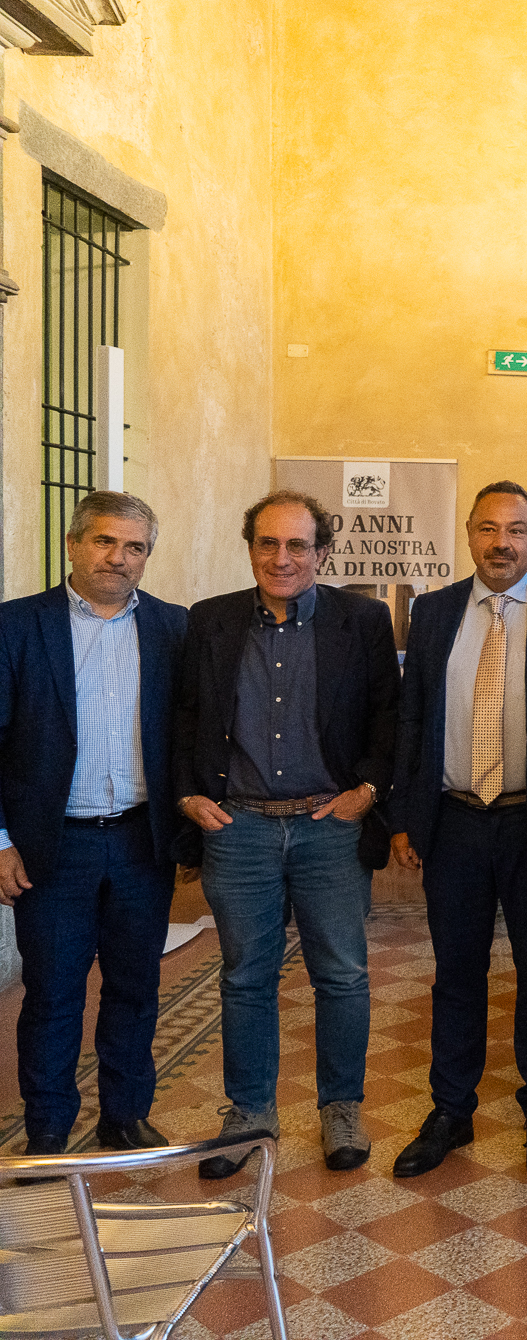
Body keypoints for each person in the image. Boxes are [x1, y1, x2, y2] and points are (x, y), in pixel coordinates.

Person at [175, 490, 401, 1178]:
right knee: (246, 976)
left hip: (328, 824)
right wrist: (188, 794)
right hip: (238, 826)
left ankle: (342, 1108)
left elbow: (389, 715)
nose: (282, 558)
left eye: (297, 545)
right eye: (267, 543)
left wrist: (367, 791)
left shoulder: (362, 620)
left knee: (342, 974)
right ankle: (249, 1113)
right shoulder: (209, 620)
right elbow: (182, 716)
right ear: (250, 550)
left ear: (322, 552)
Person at [386, 482, 527, 1181]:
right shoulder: (433, 610)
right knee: (456, 972)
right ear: (470, 535)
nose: (501, 542)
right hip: (454, 821)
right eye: (488, 528)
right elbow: (413, 717)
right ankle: (451, 1109)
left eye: (516, 529)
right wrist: (405, 817)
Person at [0, 492, 188, 1165]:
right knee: (53, 992)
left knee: (136, 987)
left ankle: (125, 1117)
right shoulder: (17, 625)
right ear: (73, 544)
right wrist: (1, 841)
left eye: (134, 546)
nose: (118, 557)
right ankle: (48, 1131)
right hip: (54, 846)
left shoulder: (173, 627)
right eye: (105, 541)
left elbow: (189, 735)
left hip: (142, 841)